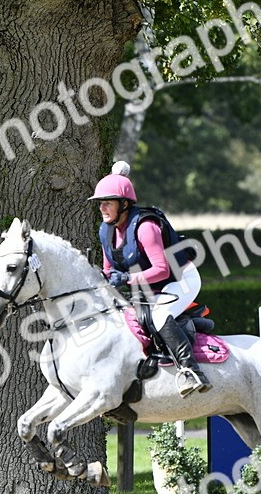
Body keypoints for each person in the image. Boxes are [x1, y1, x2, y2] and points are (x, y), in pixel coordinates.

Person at [89, 161, 211, 397]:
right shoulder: (105, 230)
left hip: (180, 279)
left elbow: (162, 270)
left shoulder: (146, 226)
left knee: (159, 315)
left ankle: (190, 371)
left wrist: (126, 278)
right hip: (149, 287)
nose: (102, 208)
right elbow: (108, 270)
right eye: (100, 203)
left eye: (108, 203)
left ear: (124, 204)